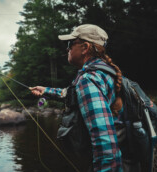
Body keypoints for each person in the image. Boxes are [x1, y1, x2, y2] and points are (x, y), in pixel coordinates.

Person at [30, 24, 123, 172]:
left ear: (85, 48)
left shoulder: (88, 79)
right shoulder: (105, 73)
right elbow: (71, 93)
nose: (67, 49)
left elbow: (105, 143)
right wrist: (45, 90)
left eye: (70, 44)